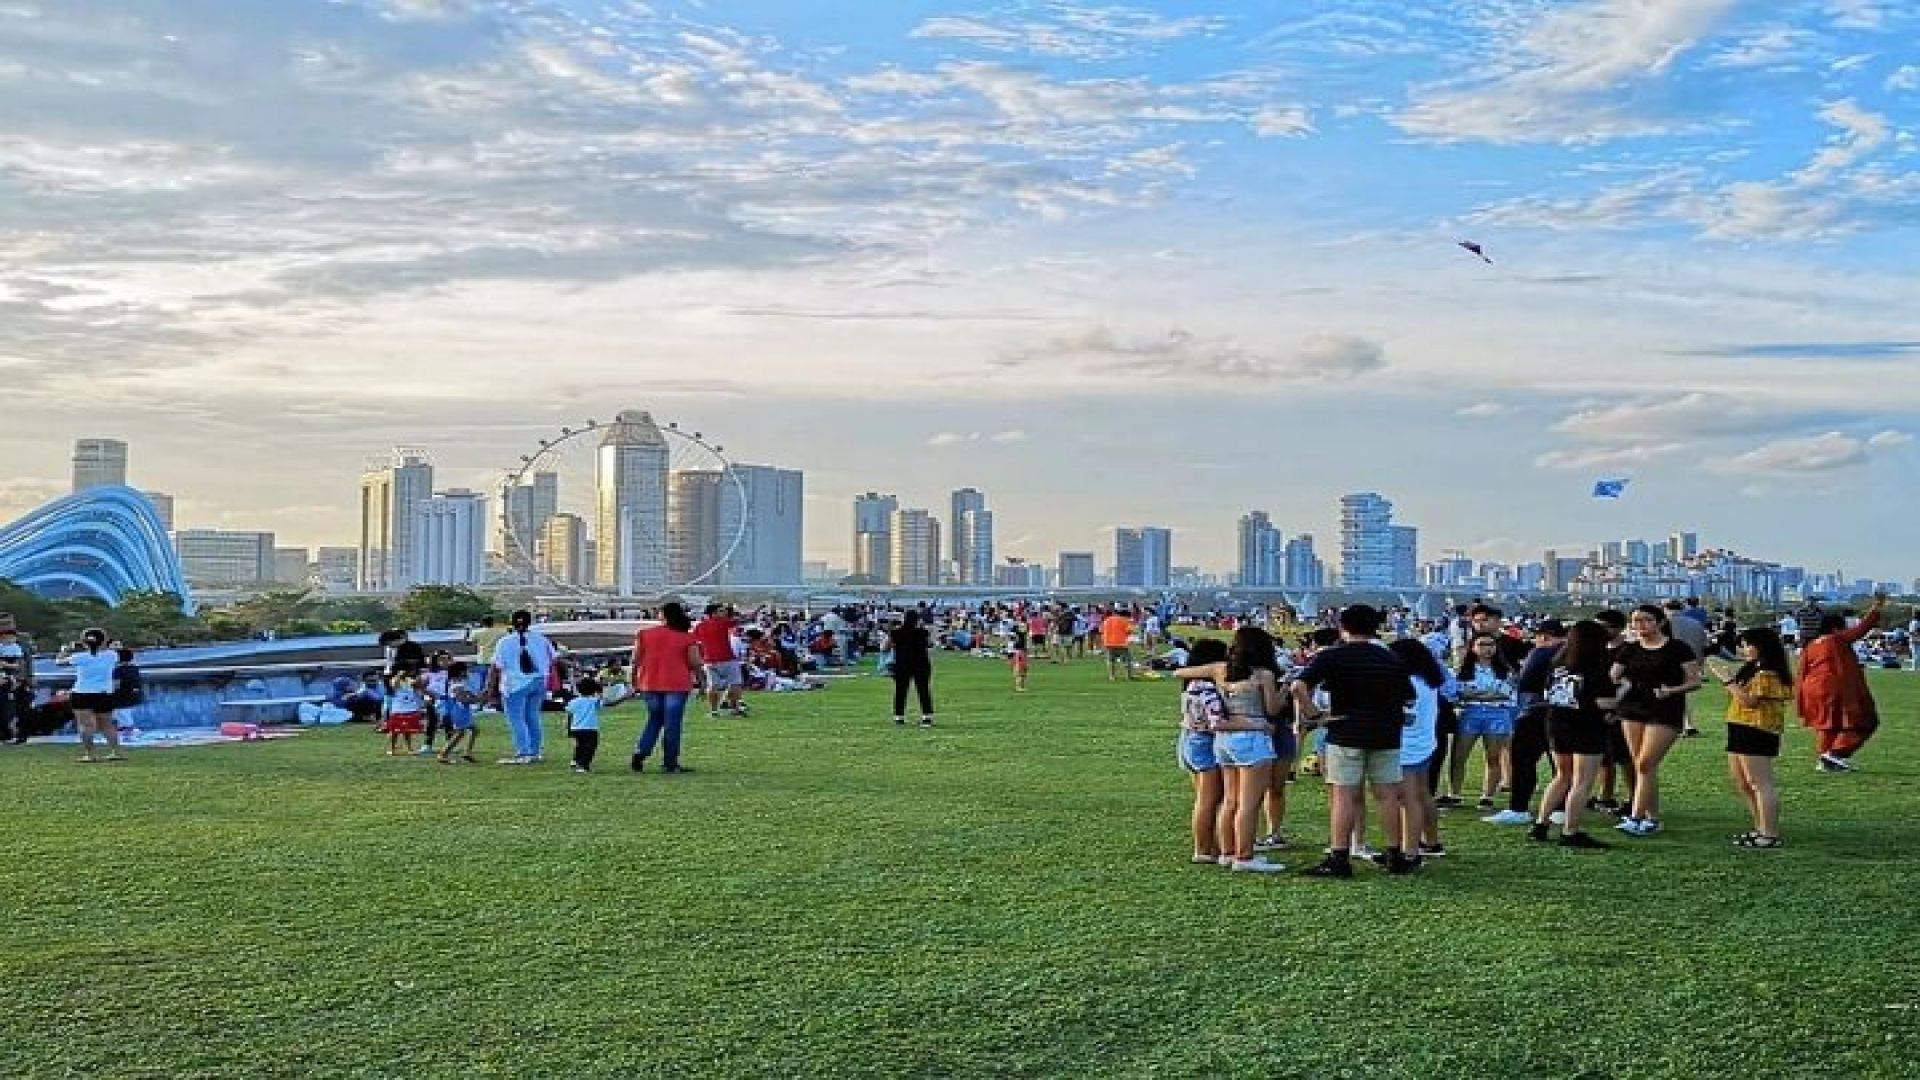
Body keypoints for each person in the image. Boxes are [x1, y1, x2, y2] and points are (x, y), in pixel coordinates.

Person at [1292, 605, 1416, 878]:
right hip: (1386, 733)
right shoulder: (1390, 658)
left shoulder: (1333, 656)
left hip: (1345, 731)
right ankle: (1395, 854)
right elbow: (1408, 697)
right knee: (1387, 795)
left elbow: (1298, 686)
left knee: (1343, 795)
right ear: (1376, 627)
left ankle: (1339, 857)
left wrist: (1314, 714)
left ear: (1342, 627)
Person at [1175, 628, 1288, 874]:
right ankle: (1244, 856)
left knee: (1230, 800)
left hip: (1224, 740)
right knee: (1249, 803)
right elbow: (1272, 709)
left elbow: (1179, 672)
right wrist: (1285, 688)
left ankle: (1227, 852)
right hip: (1253, 737)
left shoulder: (1220, 669)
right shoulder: (1264, 674)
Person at [1610, 604, 1703, 837]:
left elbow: (1694, 681)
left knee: (1645, 763)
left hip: (1665, 709)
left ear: (1660, 622)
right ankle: (1651, 818)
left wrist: (1671, 690)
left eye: (1646, 620)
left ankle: (1636, 817)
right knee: (1642, 765)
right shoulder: (1629, 649)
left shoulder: (1677, 648)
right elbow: (1612, 676)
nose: (1640, 625)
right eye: (1636, 620)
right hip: (1632, 708)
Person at [1531, 620, 1619, 849]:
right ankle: (1570, 831)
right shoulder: (1597, 666)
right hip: (1586, 726)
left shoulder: (1558, 663)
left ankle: (1540, 824)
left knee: (1562, 776)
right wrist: (1624, 693)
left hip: (1556, 722)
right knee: (1582, 782)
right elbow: (1603, 701)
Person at [1711, 627, 1795, 848]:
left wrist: (1727, 680)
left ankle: (1769, 834)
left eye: (1748, 645)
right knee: (1743, 782)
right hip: (1739, 726)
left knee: (1759, 783)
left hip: (1757, 729)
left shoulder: (1768, 674)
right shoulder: (1753, 669)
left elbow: (1750, 702)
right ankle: (1759, 827)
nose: (1744, 649)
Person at [1796, 592, 1888, 772]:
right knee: (1864, 721)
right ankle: (1835, 754)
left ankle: (1824, 760)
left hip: (1813, 688)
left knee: (1827, 725)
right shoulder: (1837, 639)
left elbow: (1801, 672)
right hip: (1835, 686)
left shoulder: (1811, 645)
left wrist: (1801, 699)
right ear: (1836, 628)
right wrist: (1876, 607)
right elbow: (1862, 629)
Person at [1487, 620, 1565, 826]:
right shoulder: (1578, 654)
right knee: (1561, 765)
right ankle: (1561, 808)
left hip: (1535, 710)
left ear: (1544, 636)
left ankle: (1519, 808)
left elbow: (1526, 682)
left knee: (1523, 760)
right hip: (1567, 713)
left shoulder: (1541, 653)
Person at [1387, 637, 1451, 859]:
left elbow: (1404, 717)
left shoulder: (1407, 683)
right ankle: (1431, 842)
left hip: (1406, 746)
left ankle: (1409, 850)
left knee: (1407, 799)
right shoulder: (1428, 681)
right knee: (1423, 794)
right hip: (1425, 743)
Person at [1175, 638, 1230, 866]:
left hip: (1190, 739)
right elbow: (1215, 720)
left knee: (1204, 798)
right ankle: (1203, 849)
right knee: (1208, 801)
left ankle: (1211, 845)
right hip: (1204, 741)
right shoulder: (1206, 687)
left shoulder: (1191, 683)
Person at [631, 601, 703, 773]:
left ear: (663, 615)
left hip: (650, 682)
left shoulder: (644, 634)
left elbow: (635, 660)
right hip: (677, 683)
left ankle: (641, 750)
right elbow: (695, 662)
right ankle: (670, 762)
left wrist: (634, 680)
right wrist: (702, 681)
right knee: (672, 723)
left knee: (654, 719)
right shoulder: (687, 637)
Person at [1451, 633, 1519, 813]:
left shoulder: (1505, 670)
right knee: (1459, 756)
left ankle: (1487, 796)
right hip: (1470, 713)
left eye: (1491, 644)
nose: (1487, 649)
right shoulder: (1463, 670)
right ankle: (1455, 793)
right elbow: (1459, 693)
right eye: (1482, 644)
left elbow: (1507, 694)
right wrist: (1487, 694)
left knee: (1493, 757)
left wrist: (1477, 694)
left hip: (1497, 714)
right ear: (1473, 647)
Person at [486, 610, 558, 765]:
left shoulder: (504, 642)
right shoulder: (541, 639)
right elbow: (553, 659)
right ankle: (535, 751)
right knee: (533, 716)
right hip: (538, 681)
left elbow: (496, 666)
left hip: (515, 683)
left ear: (511, 623)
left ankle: (523, 751)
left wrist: (490, 687)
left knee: (516, 719)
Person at [56, 628, 123, 763]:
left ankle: (90, 754)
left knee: (86, 725)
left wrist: (64, 650)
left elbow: (59, 662)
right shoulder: (112, 655)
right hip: (104, 694)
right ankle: (115, 752)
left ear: (84, 642)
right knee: (107, 725)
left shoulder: (79, 657)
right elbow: (109, 650)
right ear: (103, 641)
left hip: (82, 693)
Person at [1664, 599, 1711, 737]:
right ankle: (1687, 724)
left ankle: (1684, 724)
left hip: (1671, 662)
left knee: (1673, 693)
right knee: (1685, 693)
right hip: (1694, 661)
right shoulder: (1696, 623)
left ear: (1665, 609)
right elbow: (1704, 644)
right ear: (1682, 608)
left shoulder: (1664, 623)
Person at [694, 604, 747, 718]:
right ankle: (735, 709)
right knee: (735, 684)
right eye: (721, 611)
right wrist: (758, 610)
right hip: (727, 659)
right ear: (714, 613)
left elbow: (696, 641)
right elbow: (744, 619)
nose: (724, 613)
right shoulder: (723, 622)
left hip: (709, 660)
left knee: (712, 686)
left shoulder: (699, 626)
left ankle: (714, 712)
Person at [887, 611, 936, 727]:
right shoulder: (922, 632)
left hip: (902, 664)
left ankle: (899, 716)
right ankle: (926, 716)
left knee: (900, 690)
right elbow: (930, 644)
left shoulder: (896, 632)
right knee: (923, 690)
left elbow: (887, 646)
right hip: (921, 664)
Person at [0, 613, 36, 745]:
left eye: (9, 623)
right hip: (3, 679)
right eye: (3, 624)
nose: (6, 626)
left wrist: (29, 677)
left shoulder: (23, 639)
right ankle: (5, 735)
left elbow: (28, 660)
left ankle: (22, 735)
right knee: (4, 709)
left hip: (21, 679)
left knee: (23, 708)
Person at [435, 661, 479, 764]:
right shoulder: (457, 685)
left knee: (473, 730)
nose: (467, 672)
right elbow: (463, 700)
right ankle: (443, 754)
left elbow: (466, 693)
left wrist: (473, 696)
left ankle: (467, 752)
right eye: (465, 670)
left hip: (460, 710)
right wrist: (478, 700)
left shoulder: (455, 682)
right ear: (460, 672)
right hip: (459, 711)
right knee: (461, 732)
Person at [383, 669, 426, 756]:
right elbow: (394, 685)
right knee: (394, 732)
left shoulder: (409, 680)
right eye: (401, 671)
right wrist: (398, 676)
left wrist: (419, 676)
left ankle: (409, 749)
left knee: (408, 731)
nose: (403, 672)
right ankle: (392, 749)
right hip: (397, 710)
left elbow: (418, 685)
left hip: (409, 709)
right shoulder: (394, 680)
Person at [567, 676, 604, 774]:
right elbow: (606, 702)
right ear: (593, 690)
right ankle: (583, 765)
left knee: (580, 745)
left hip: (576, 729)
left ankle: (575, 760)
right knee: (590, 747)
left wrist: (569, 730)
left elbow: (570, 715)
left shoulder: (573, 702)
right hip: (590, 729)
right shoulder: (594, 701)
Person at [1100, 608, 1138, 682]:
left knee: (1111, 661)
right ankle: (1128, 676)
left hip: (1108, 643)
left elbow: (1101, 630)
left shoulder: (1107, 620)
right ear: (1126, 615)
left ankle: (1112, 676)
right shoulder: (1124, 620)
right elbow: (1130, 630)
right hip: (1121, 643)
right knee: (1127, 660)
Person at [1009, 624, 1030, 692]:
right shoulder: (1019, 634)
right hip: (1019, 654)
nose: (1024, 628)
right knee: (1019, 671)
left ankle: (1021, 686)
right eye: (1022, 627)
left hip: (1023, 653)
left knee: (1024, 671)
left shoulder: (1023, 635)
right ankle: (1018, 687)